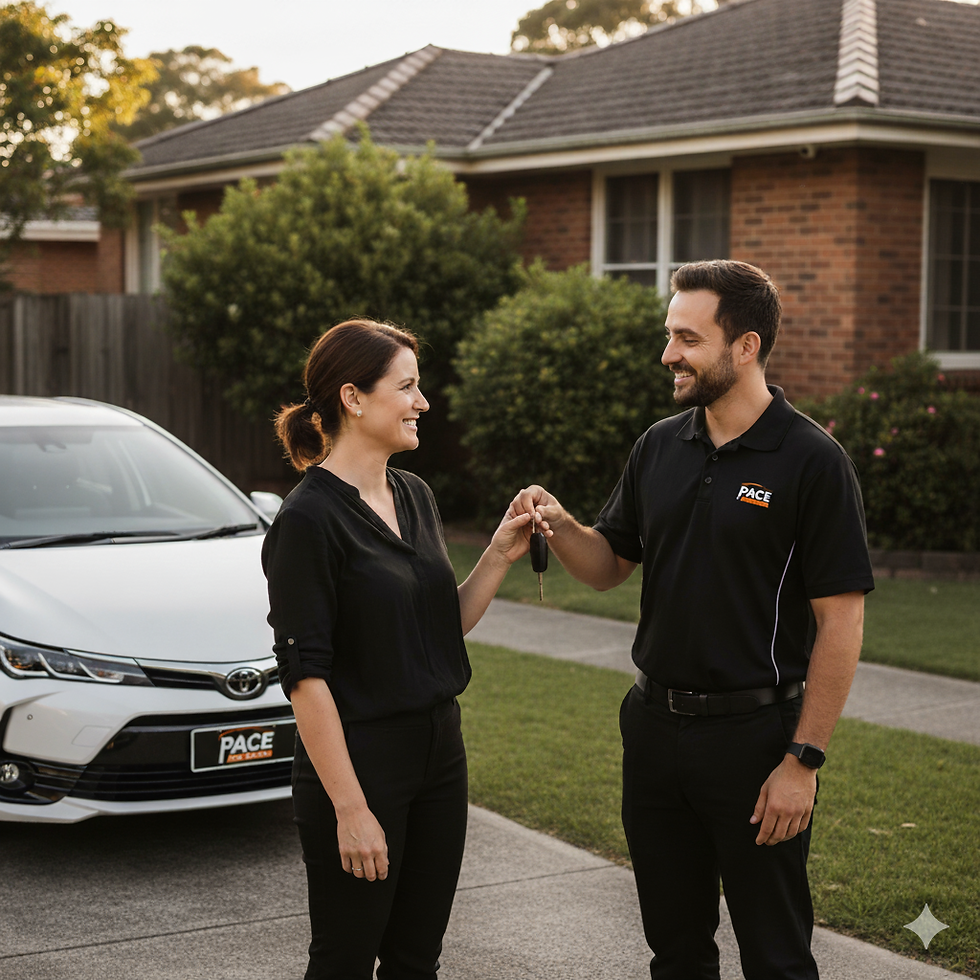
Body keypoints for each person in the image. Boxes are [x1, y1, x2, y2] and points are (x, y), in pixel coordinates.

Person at [509, 260, 874, 980]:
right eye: (669, 334)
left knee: (776, 954)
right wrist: (558, 524)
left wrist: (802, 763)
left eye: (687, 337)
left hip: (755, 739)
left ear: (745, 347)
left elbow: (841, 623)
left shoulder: (812, 461)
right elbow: (611, 563)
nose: (669, 354)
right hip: (653, 729)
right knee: (674, 948)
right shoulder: (659, 445)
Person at [262, 318, 532, 980]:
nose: (423, 403)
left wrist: (496, 556)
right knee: (346, 959)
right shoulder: (307, 521)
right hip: (361, 761)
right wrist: (350, 810)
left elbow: (436, 626)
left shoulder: (414, 494)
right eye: (407, 387)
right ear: (353, 398)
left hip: (441, 752)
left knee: (417, 958)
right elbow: (307, 681)